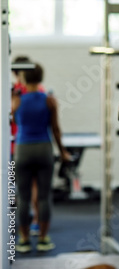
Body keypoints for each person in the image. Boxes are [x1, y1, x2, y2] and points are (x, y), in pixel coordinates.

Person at [12, 63, 71, 253]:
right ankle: (44, 238)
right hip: (44, 149)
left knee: (23, 197)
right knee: (44, 197)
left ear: (23, 78)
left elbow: (11, 120)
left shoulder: (16, 101)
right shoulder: (49, 100)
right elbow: (55, 129)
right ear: (40, 78)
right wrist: (62, 152)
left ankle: (23, 240)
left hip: (22, 150)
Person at [11, 56, 46, 237]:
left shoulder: (14, 94)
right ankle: (34, 225)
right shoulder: (40, 91)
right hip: (19, 145)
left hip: (16, 147)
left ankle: (19, 228)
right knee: (32, 189)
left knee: (17, 190)